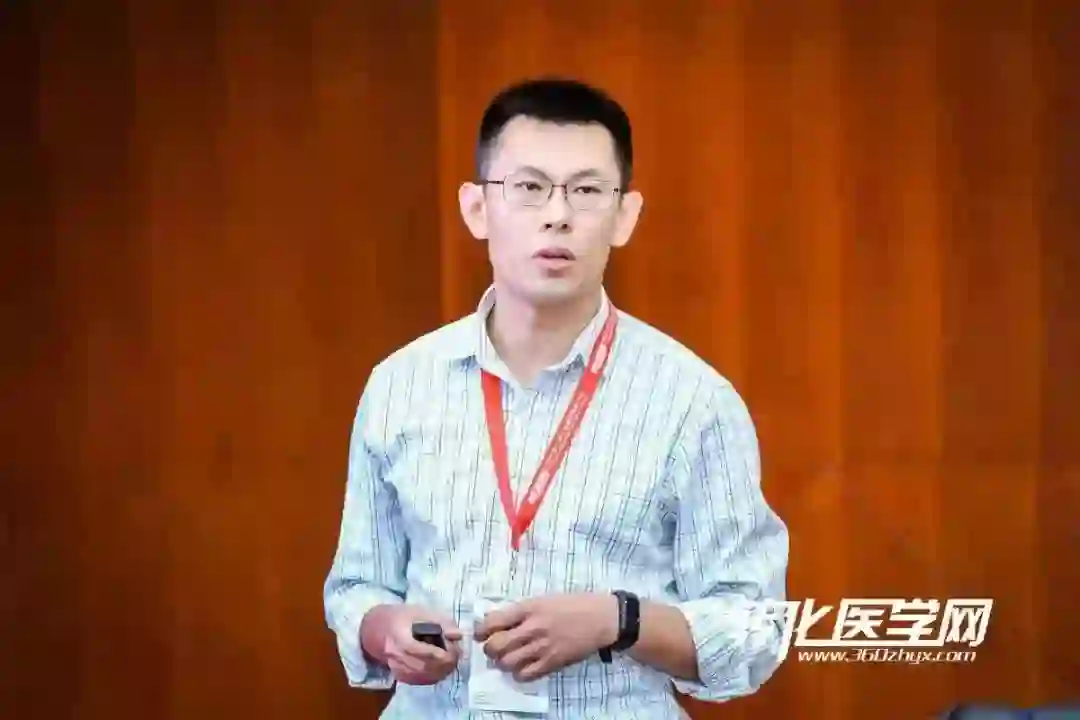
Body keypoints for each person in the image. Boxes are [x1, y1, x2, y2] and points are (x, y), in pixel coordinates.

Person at [323, 77, 790, 719]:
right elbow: (356, 585)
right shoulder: (400, 385)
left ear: (624, 215)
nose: (558, 214)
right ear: (476, 208)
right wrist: (385, 630)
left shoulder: (693, 401)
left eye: (587, 191)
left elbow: (755, 626)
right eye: (530, 187)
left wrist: (617, 620)